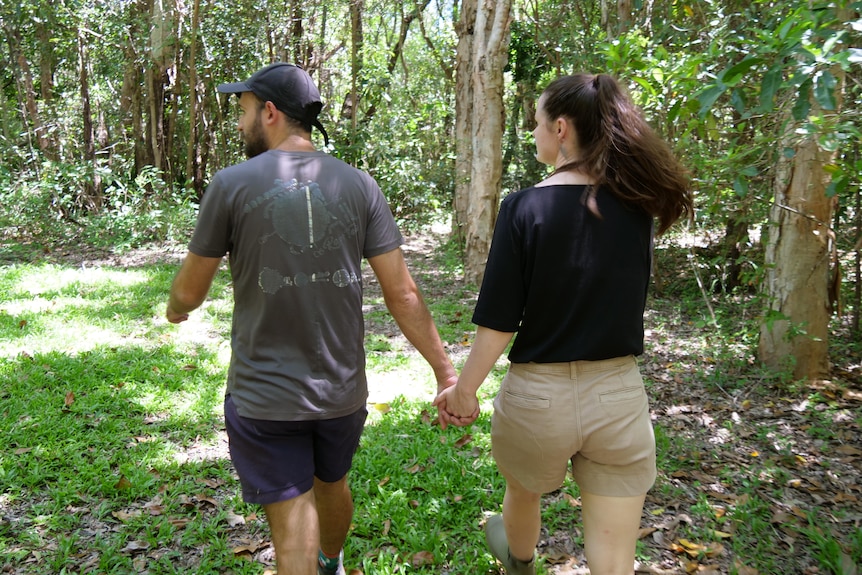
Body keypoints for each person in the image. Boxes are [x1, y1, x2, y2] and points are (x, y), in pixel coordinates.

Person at [166, 62, 467, 575]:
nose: (240, 125)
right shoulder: (359, 184)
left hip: (265, 394)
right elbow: (405, 294)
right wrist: (445, 371)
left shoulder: (230, 184)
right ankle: (332, 562)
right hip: (342, 393)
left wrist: (174, 308)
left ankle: (318, 563)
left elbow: (190, 293)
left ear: (270, 112)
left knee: (290, 529)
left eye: (243, 112)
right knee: (333, 485)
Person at [433, 73, 693, 575]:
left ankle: (520, 561)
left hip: (538, 397)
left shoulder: (524, 207)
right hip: (617, 395)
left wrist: (464, 391)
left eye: (534, 124)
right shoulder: (638, 206)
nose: (531, 134)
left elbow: (499, 321)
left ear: (560, 129)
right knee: (615, 559)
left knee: (523, 493)